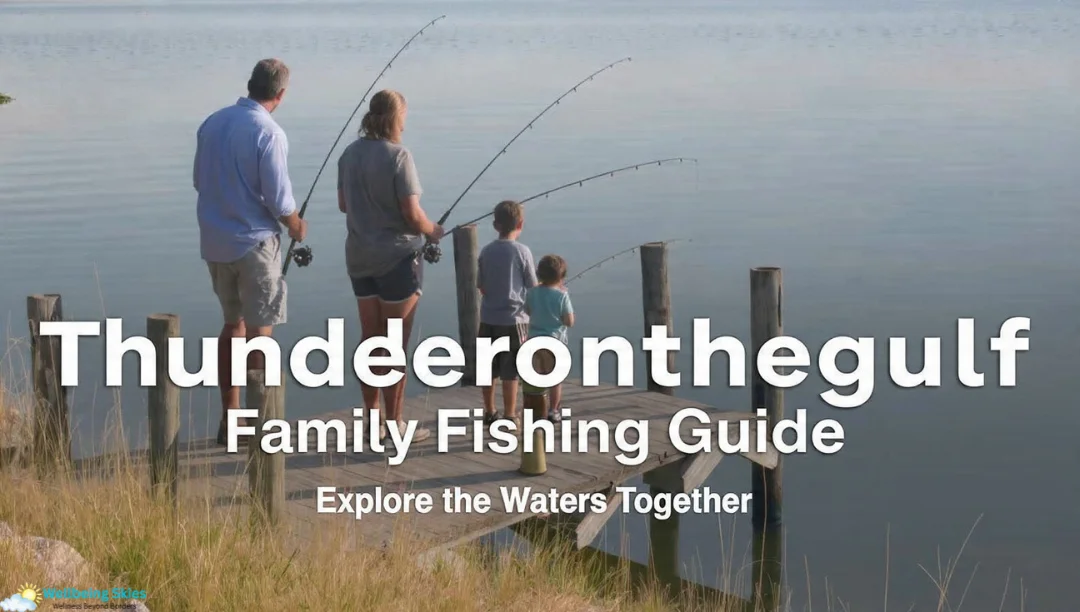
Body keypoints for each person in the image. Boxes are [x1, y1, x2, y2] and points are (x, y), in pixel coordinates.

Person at [194, 58, 307, 446]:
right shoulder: (269, 132)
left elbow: (198, 181)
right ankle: (263, 422)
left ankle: (231, 419)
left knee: (232, 326)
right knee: (261, 333)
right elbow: (279, 200)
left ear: (249, 84)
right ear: (280, 94)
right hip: (255, 243)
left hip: (215, 241)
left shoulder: (212, 122)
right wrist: (297, 226)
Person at [337, 89, 442, 443]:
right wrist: (434, 231)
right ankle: (395, 425)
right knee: (395, 346)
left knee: (370, 342)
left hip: (359, 258)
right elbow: (413, 216)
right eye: (404, 116)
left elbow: (342, 204)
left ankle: (371, 420)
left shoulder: (349, 154)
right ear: (396, 118)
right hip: (397, 261)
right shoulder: (400, 156)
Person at [476, 200, 538, 430]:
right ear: (520, 224)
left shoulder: (486, 251)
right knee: (511, 370)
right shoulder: (523, 252)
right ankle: (511, 414)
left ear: (495, 225)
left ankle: (490, 411)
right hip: (514, 320)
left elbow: (480, 286)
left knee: (487, 369)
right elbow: (532, 285)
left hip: (488, 318)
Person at [524, 254, 575, 422]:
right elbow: (569, 321)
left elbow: (528, 311)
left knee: (538, 378)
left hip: (534, 342)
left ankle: (538, 408)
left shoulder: (532, 293)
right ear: (562, 277)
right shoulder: (562, 296)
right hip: (555, 343)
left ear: (538, 274)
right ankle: (553, 410)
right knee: (555, 380)